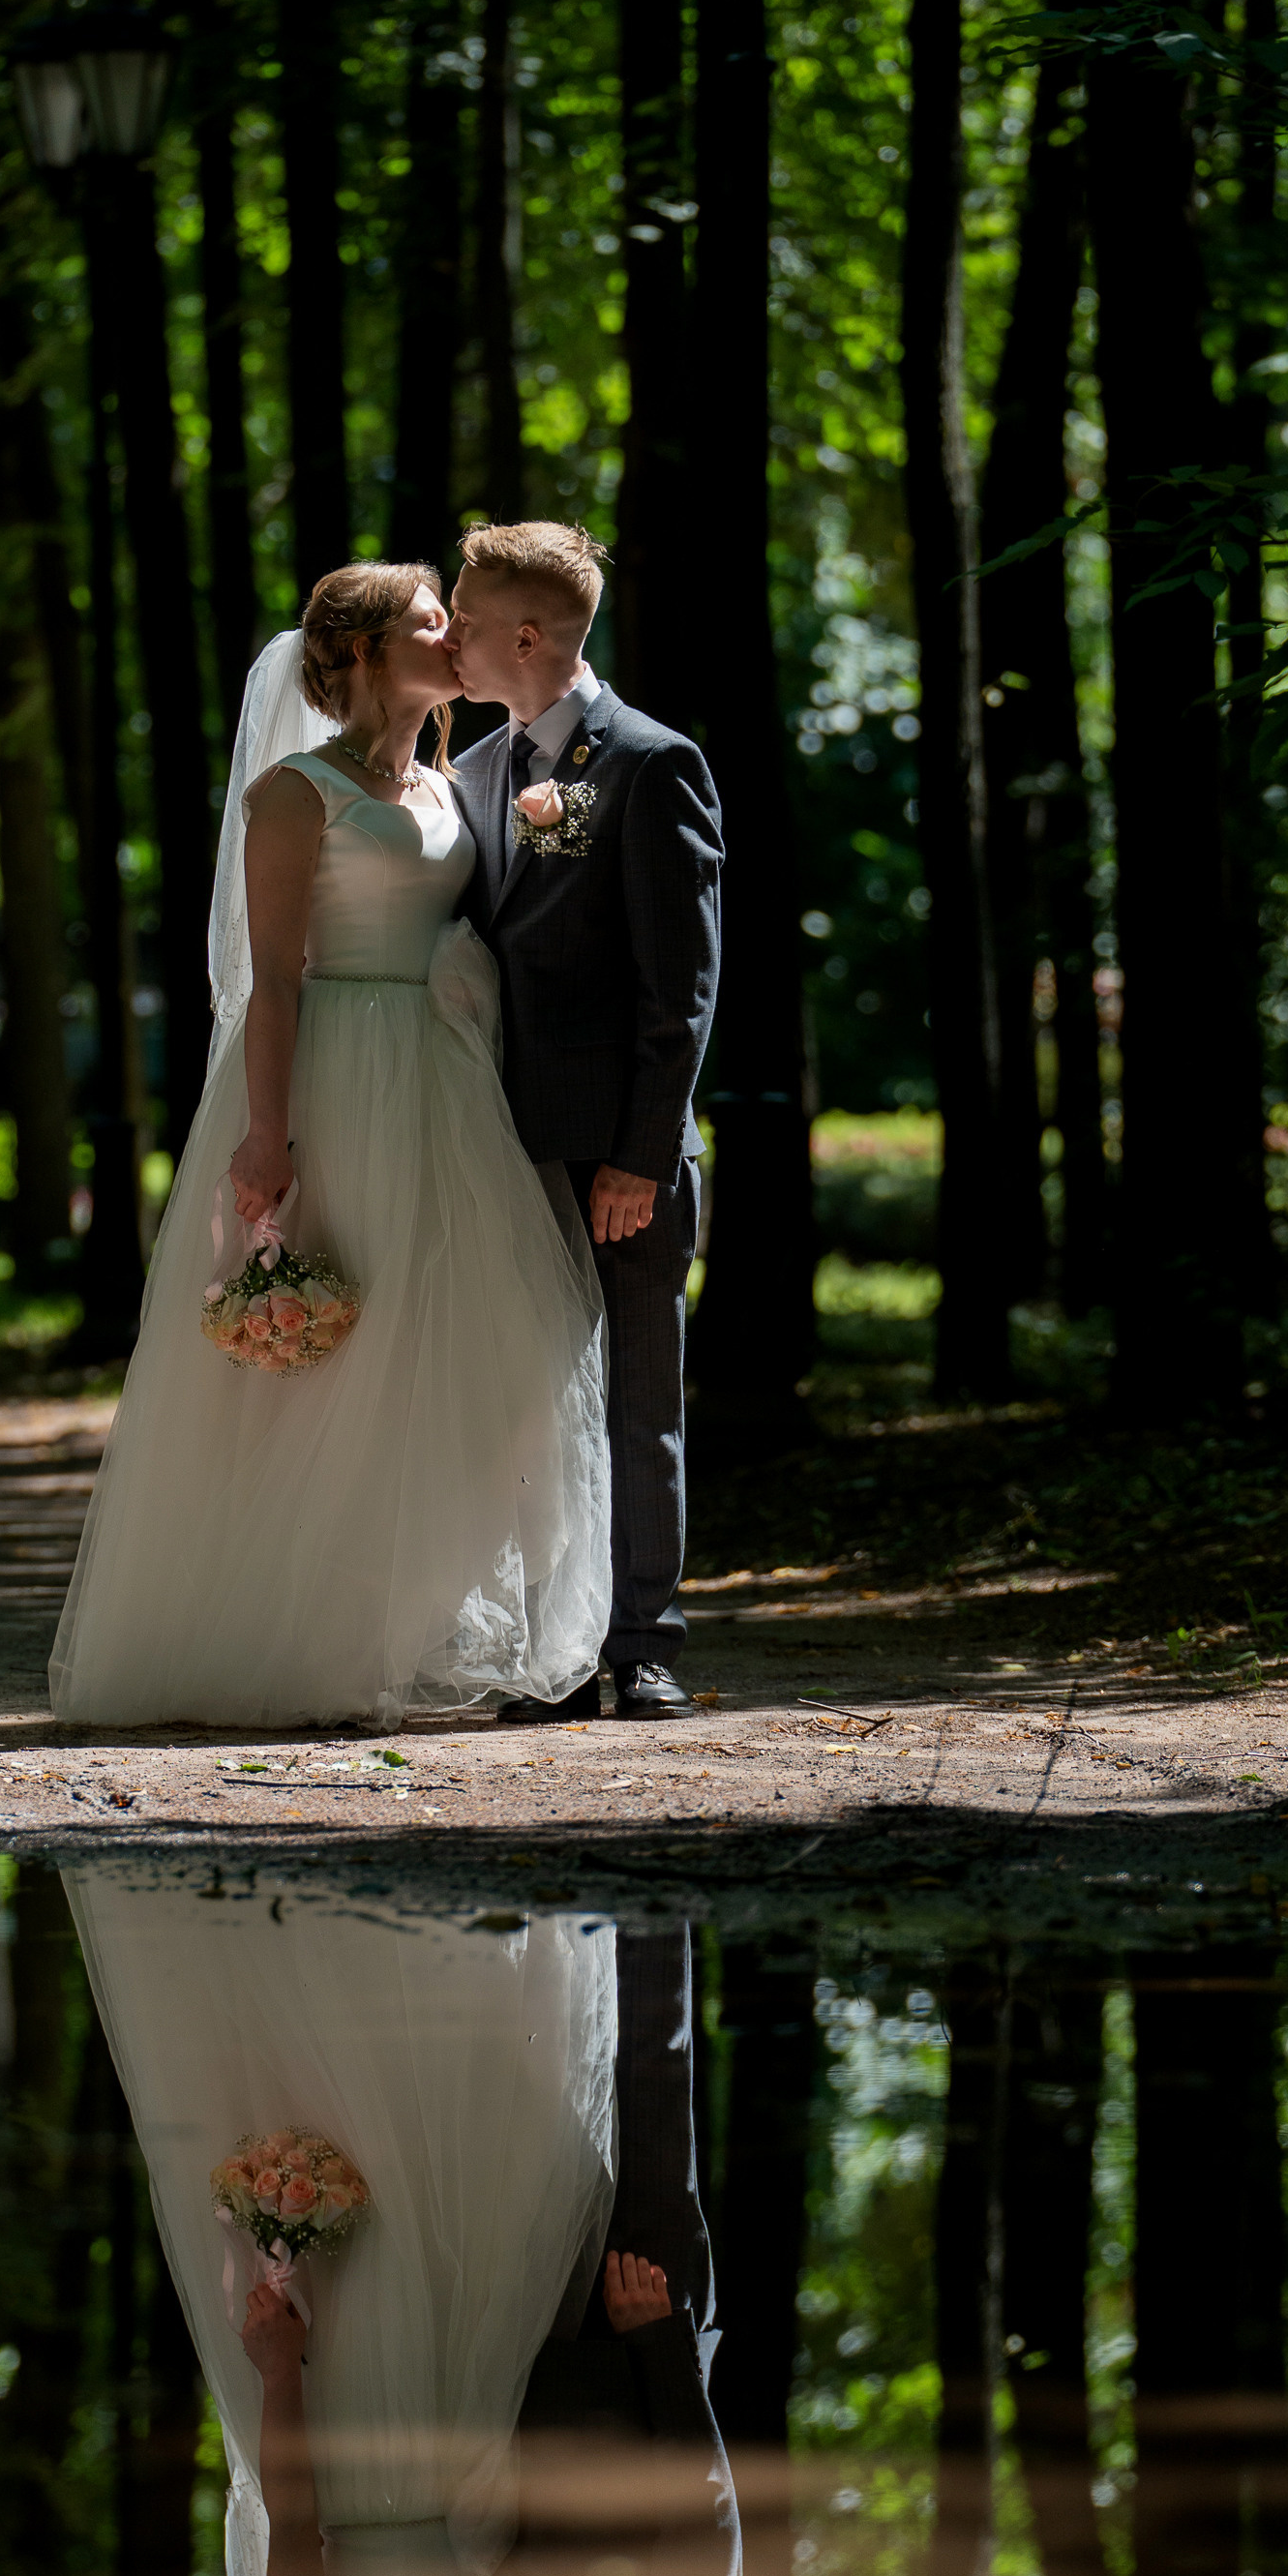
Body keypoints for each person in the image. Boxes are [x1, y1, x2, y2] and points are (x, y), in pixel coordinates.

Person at [49, 563, 610, 1730]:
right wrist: (266, 1136)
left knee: (457, 1359)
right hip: (336, 1080)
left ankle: (397, 1627)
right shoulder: (295, 796)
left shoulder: (455, 783)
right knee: (332, 1361)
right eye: (427, 621)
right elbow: (273, 984)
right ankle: (300, 1641)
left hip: (446, 1086)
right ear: (360, 652)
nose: (452, 635)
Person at [58, 1870, 617, 2576]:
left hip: (353, 2425)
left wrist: (278, 2370)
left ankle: (309, 1914)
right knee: (464, 2166)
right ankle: (456, 1925)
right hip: (450, 2420)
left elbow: (296, 2524)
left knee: (370, 2166)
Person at [447, 525, 724, 1723]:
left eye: (461, 619)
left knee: (634, 1402)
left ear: (523, 635)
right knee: (521, 1403)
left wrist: (640, 1153)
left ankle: (642, 1642)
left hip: (618, 1153)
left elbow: (682, 990)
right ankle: (552, 1648)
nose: (446, 637)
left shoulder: (653, 765)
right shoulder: (475, 769)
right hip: (504, 1147)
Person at [472, 1926, 746, 2576]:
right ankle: (649, 1879)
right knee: (647, 2079)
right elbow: (703, 2526)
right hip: (633, 2339)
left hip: (525, 2359)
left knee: (534, 2093)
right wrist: (662, 2343)